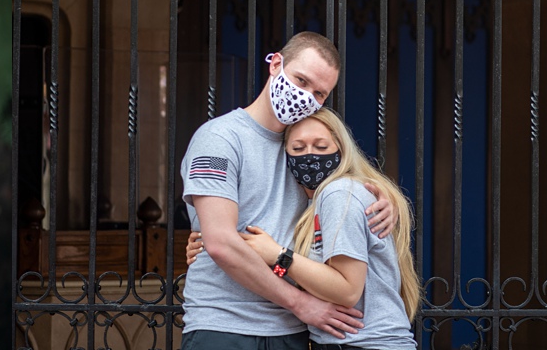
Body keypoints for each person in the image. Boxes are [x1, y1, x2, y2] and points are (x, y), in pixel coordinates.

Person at [180, 32, 396, 350]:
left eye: (320, 93)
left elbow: (345, 185)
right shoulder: (220, 138)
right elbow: (221, 244)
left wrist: (383, 196)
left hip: (292, 332)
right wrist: (300, 303)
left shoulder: (304, 149)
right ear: (276, 64)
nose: (306, 96)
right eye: (301, 80)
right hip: (226, 327)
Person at [236, 108, 421, 349]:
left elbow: (347, 291)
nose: (310, 156)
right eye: (298, 148)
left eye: (321, 147)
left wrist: (279, 255)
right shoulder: (312, 204)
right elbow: (311, 277)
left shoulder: (338, 193)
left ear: (341, 151)